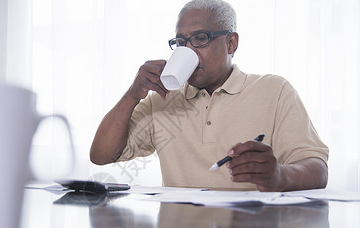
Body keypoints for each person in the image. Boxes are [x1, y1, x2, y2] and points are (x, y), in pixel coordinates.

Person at [90, 0, 329, 192]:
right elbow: (100, 156)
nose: (188, 50)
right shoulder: (163, 98)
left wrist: (279, 176)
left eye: (200, 38)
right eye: (181, 42)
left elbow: (318, 169)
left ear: (231, 43)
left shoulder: (275, 91)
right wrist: (133, 95)